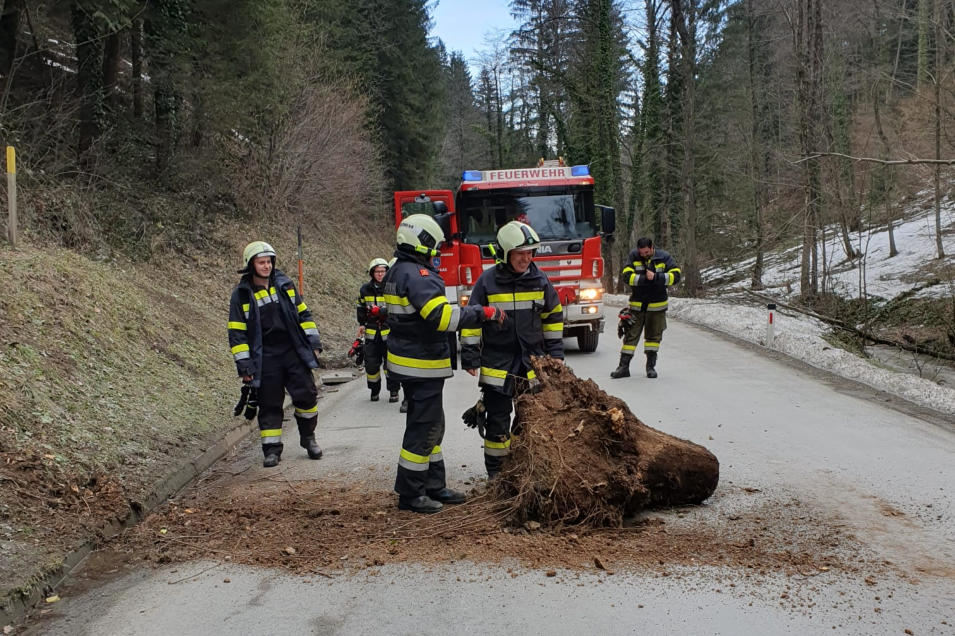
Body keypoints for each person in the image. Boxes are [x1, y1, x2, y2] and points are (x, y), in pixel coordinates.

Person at [384, 214, 505, 514]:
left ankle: (433, 485)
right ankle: (411, 494)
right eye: (435, 246)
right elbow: (442, 318)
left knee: (433, 426)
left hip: (411, 363)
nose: (437, 252)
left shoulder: (399, 269)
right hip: (420, 364)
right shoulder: (418, 276)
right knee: (423, 428)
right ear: (421, 242)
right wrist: (483, 313)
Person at [461, 221, 564, 478]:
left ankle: (525, 471)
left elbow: (553, 317)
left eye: (530, 253)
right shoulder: (487, 282)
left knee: (531, 419)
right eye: (520, 253)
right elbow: (472, 320)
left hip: (531, 364)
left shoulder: (540, 280)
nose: (526, 259)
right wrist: (470, 356)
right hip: (497, 364)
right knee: (497, 422)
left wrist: (555, 355)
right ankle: (497, 476)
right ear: (506, 253)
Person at [228, 241, 324, 467]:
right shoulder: (241, 295)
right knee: (269, 404)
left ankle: (308, 438)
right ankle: (271, 450)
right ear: (251, 265)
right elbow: (237, 334)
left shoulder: (285, 285)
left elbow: (304, 314)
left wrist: (313, 342)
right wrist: (245, 366)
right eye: (261, 262)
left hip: (292, 352)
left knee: (307, 395)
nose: (267, 266)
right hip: (266, 358)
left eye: (269, 262)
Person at [611, 237, 682, 379]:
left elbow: (676, 276)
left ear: (652, 248)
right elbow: (627, 276)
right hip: (637, 306)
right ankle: (623, 367)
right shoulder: (633, 256)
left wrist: (656, 277)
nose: (643, 255)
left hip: (657, 306)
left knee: (653, 339)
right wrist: (645, 279)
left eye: (646, 252)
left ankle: (650, 367)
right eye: (641, 253)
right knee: (630, 336)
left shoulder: (664, 257)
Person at [356, 257, 402, 404]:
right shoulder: (365, 289)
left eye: (383, 271)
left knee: (391, 365)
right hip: (371, 333)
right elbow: (360, 306)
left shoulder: (392, 288)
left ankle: (394, 391)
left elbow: (396, 308)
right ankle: (374, 390)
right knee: (371, 364)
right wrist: (361, 323)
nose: (380, 274)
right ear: (372, 273)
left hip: (389, 332)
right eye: (377, 271)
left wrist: (382, 312)